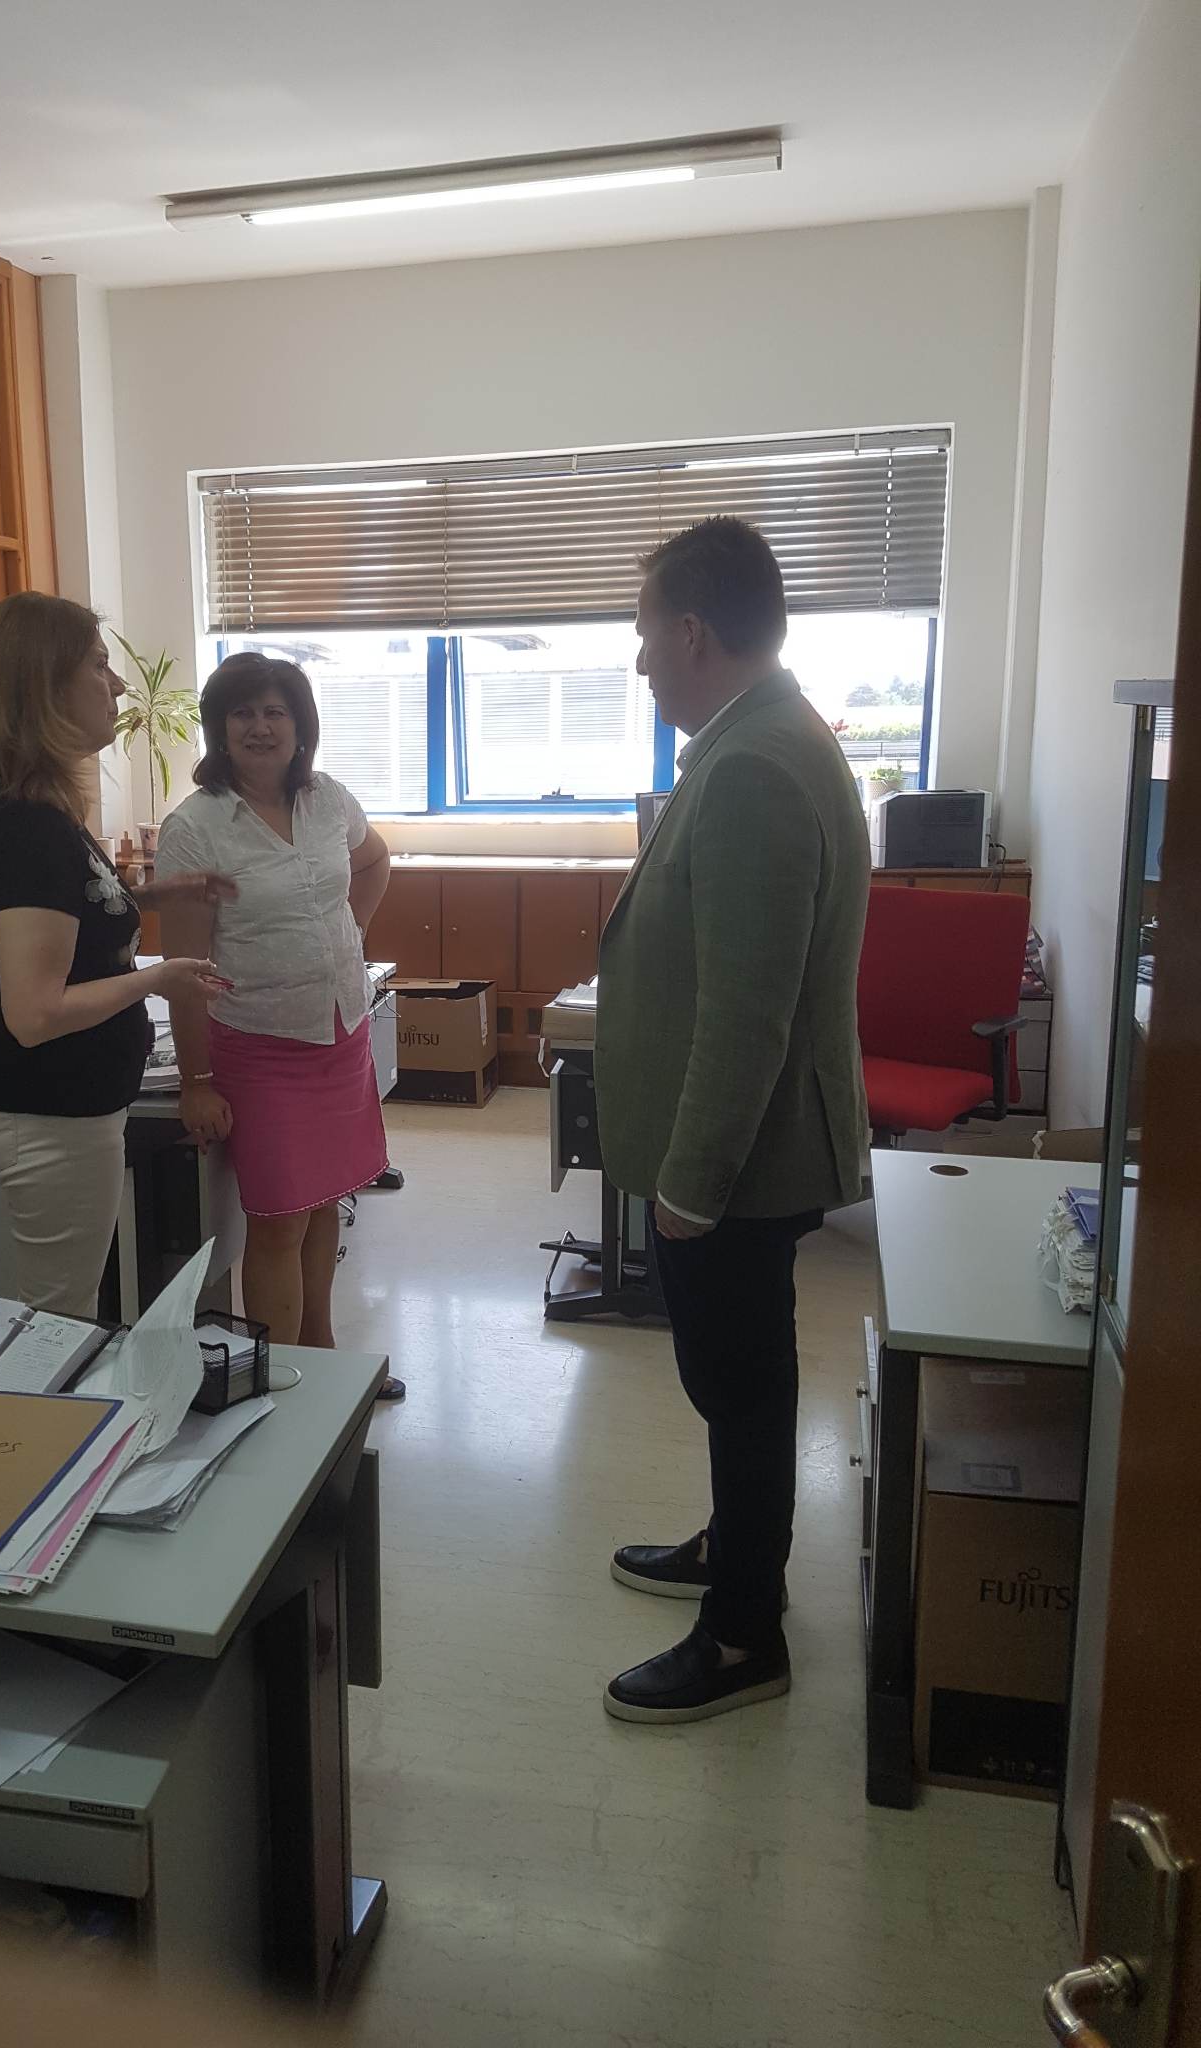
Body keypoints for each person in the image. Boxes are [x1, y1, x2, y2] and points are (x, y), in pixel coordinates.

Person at [593, 516, 870, 1724]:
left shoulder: (754, 762)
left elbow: (748, 1012)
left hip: (739, 1160)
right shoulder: (758, 735)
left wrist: (691, 1183)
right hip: (747, 1146)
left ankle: (745, 1631)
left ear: (695, 632)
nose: (642, 656)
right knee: (740, 1380)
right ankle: (735, 1545)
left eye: (647, 630)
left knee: (743, 1385)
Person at [0, 592, 234, 1320]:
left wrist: (151, 896)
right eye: (100, 665)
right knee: (52, 1323)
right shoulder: (24, 828)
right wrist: (158, 977)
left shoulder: (27, 810)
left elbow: (65, 913)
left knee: (46, 1314)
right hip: (49, 1113)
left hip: (61, 1107)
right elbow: (35, 1013)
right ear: (45, 684)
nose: (120, 684)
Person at [156, 651, 404, 1397]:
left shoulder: (328, 800)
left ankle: (322, 1358)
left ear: (301, 727)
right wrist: (196, 1081)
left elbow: (375, 862)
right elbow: (184, 967)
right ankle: (279, 1384)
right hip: (260, 1044)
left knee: (326, 1204)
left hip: (339, 1032)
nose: (260, 727)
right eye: (243, 713)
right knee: (276, 1220)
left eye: (275, 712)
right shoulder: (194, 828)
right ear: (219, 729)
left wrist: (348, 937)